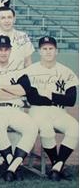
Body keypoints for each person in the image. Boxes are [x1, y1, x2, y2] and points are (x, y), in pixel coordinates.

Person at [0, 35, 38, 181]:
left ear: (10, 50)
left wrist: (0, 87)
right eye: (0, 49)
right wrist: (12, 91)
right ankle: (12, 165)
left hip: (15, 109)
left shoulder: (18, 68)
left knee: (32, 127)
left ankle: (12, 167)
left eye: (6, 49)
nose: (3, 52)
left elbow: (24, 90)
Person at [25, 36, 78, 181]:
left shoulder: (66, 71)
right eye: (44, 49)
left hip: (59, 112)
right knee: (46, 129)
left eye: (51, 49)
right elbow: (32, 98)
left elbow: (71, 100)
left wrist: (47, 94)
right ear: (39, 51)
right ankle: (58, 165)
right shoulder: (31, 70)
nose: (48, 52)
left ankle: (57, 166)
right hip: (38, 110)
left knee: (75, 128)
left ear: (56, 51)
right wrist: (57, 97)